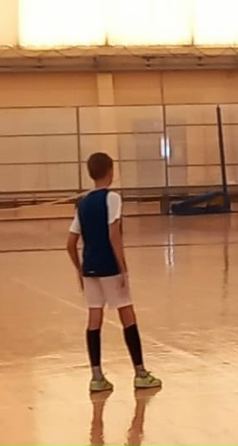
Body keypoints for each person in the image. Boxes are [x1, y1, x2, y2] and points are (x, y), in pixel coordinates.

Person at [66, 152, 162, 393]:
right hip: (109, 265)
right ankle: (140, 373)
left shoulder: (82, 204)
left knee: (94, 318)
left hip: (89, 267)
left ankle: (97, 377)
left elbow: (70, 243)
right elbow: (113, 233)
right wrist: (123, 267)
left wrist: (79, 269)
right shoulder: (112, 198)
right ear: (110, 171)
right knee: (127, 314)